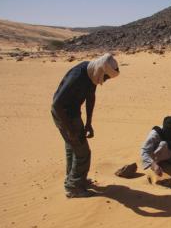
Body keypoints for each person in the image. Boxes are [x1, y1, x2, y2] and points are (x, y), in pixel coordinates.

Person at [51, 53, 120, 198]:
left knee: (73, 147)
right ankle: (74, 187)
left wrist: (89, 123)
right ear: (102, 70)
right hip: (64, 115)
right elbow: (57, 104)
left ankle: (74, 180)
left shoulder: (92, 74)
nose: (105, 80)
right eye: (106, 77)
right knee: (82, 152)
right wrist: (69, 129)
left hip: (73, 114)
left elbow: (90, 97)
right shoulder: (78, 75)